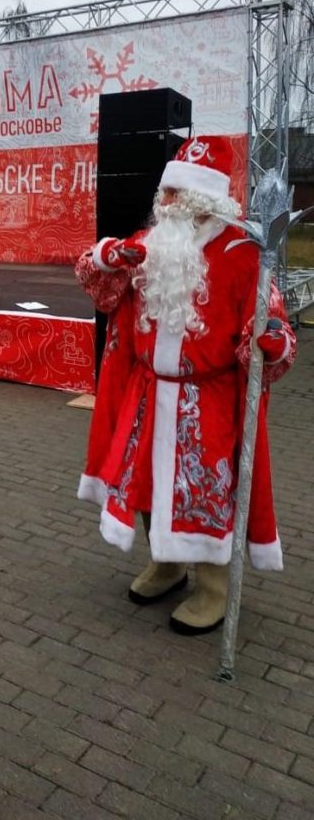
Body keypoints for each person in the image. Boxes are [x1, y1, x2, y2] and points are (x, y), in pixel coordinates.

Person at [75, 134, 296, 635]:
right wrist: (111, 255)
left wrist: (270, 340)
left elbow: (273, 332)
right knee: (148, 484)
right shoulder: (151, 243)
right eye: (166, 192)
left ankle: (213, 588)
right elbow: (97, 284)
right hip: (148, 391)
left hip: (207, 399)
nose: (168, 201)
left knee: (206, 491)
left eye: (178, 193)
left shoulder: (242, 252)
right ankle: (167, 563)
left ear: (205, 198)